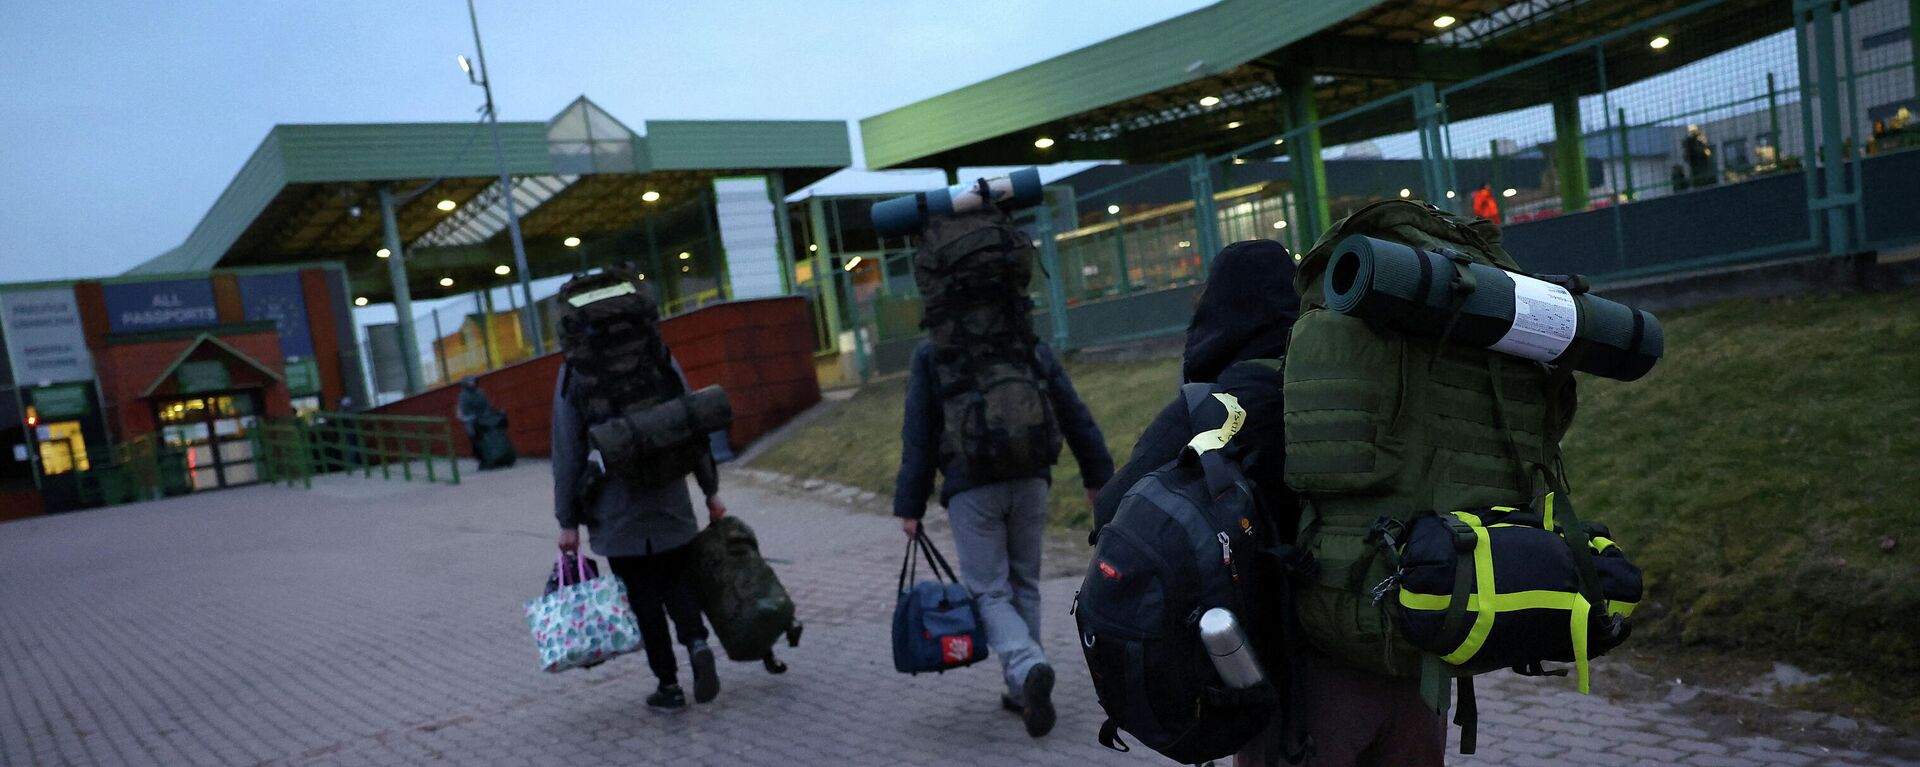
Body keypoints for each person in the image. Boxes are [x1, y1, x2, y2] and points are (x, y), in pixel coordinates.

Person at [1094, 240, 1445, 767]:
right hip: (1412, 669)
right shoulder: (1361, 384)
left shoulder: (1214, 405)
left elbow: (1112, 514)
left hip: (1302, 695)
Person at [894, 338, 1114, 738]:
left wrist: (911, 504)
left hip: (972, 488)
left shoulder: (935, 352)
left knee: (989, 592)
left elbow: (919, 431)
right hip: (1031, 479)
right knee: (1024, 583)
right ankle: (1023, 691)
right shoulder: (1024, 341)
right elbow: (1071, 409)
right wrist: (1097, 475)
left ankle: (1027, 666)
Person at [551, 358, 726, 713]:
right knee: (677, 580)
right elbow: (691, 421)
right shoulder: (655, 350)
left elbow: (567, 448)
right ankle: (696, 643)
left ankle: (669, 686)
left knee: (642, 598)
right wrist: (710, 490)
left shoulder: (575, 370)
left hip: (614, 506)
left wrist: (567, 519)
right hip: (669, 495)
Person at [456, 376, 492, 456]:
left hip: (482, 418)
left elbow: (486, 404)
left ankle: (487, 454)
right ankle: (480, 455)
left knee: (484, 436)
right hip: (470, 419)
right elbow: (463, 408)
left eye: (473, 381)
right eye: (470, 381)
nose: (472, 383)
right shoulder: (463, 395)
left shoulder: (480, 392)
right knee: (474, 437)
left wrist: (486, 414)